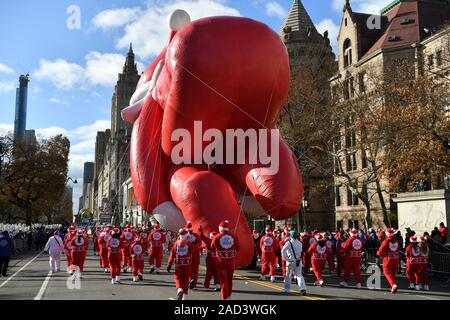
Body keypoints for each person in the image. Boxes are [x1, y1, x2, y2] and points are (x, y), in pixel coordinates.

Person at [211, 220, 240, 300]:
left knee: (223, 281)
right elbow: (238, 248)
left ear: (220, 229)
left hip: (221, 262)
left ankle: (225, 298)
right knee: (229, 279)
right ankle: (229, 296)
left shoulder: (217, 237)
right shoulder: (234, 237)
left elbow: (212, 247)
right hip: (231, 261)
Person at [167, 228, 194, 300]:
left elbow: (172, 255)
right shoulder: (189, 244)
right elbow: (194, 254)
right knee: (185, 281)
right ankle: (184, 298)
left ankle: (179, 289)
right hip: (187, 265)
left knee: (178, 278)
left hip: (178, 265)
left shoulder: (176, 244)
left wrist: (169, 264)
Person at [281, 229, 307, 295]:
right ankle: (302, 288)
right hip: (298, 260)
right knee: (299, 275)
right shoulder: (300, 243)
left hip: (291, 260)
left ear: (290, 236)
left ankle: (287, 289)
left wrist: (286, 258)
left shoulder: (288, 243)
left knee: (288, 275)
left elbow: (282, 251)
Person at [376, 228, 400, 293]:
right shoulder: (396, 241)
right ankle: (390, 286)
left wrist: (378, 254)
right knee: (392, 273)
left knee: (386, 272)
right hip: (395, 258)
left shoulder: (386, 241)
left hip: (388, 259)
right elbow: (398, 249)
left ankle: (393, 284)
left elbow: (381, 250)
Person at [198, 226, 220, 290]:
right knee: (217, 273)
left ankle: (206, 284)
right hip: (217, 259)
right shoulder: (219, 242)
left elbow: (203, 237)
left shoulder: (209, 241)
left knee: (209, 273)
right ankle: (217, 285)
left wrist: (201, 232)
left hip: (210, 259)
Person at [185, 221, 202, 289]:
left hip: (186, 255)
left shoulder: (183, 236)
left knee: (187, 269)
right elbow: (200, 243)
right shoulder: (196, 235)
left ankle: (189, 280)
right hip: (195, 255)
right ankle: (193, 282)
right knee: (195, 270)